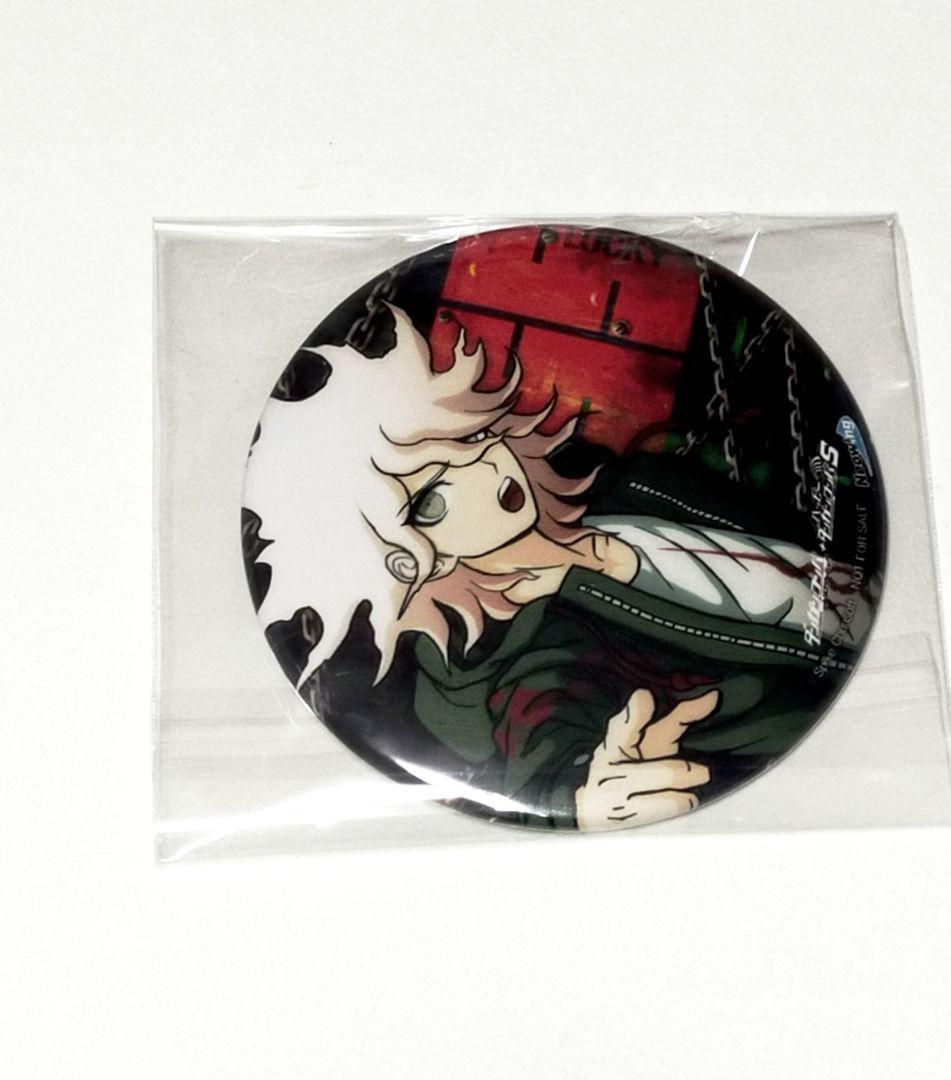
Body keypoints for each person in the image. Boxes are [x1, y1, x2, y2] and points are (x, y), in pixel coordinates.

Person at [244, 305, 874, 830]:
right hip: (842, 749)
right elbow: (538, 732)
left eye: (471, 438)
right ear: (401, 557)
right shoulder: (496, 660)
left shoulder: (638, 484)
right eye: (432, 499)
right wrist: (582, 795)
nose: (487, 469)